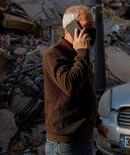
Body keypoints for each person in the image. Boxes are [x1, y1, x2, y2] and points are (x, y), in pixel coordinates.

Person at [42, 5, 108, 155]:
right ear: (72, 27)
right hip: (65, 143)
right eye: (87, 25)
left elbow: (86, 92)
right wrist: (82, 53)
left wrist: (97, 123)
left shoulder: (80, 55)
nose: (92, 29)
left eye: (93, 24)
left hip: (85, 138)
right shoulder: (54, 55)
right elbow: (70, 86)